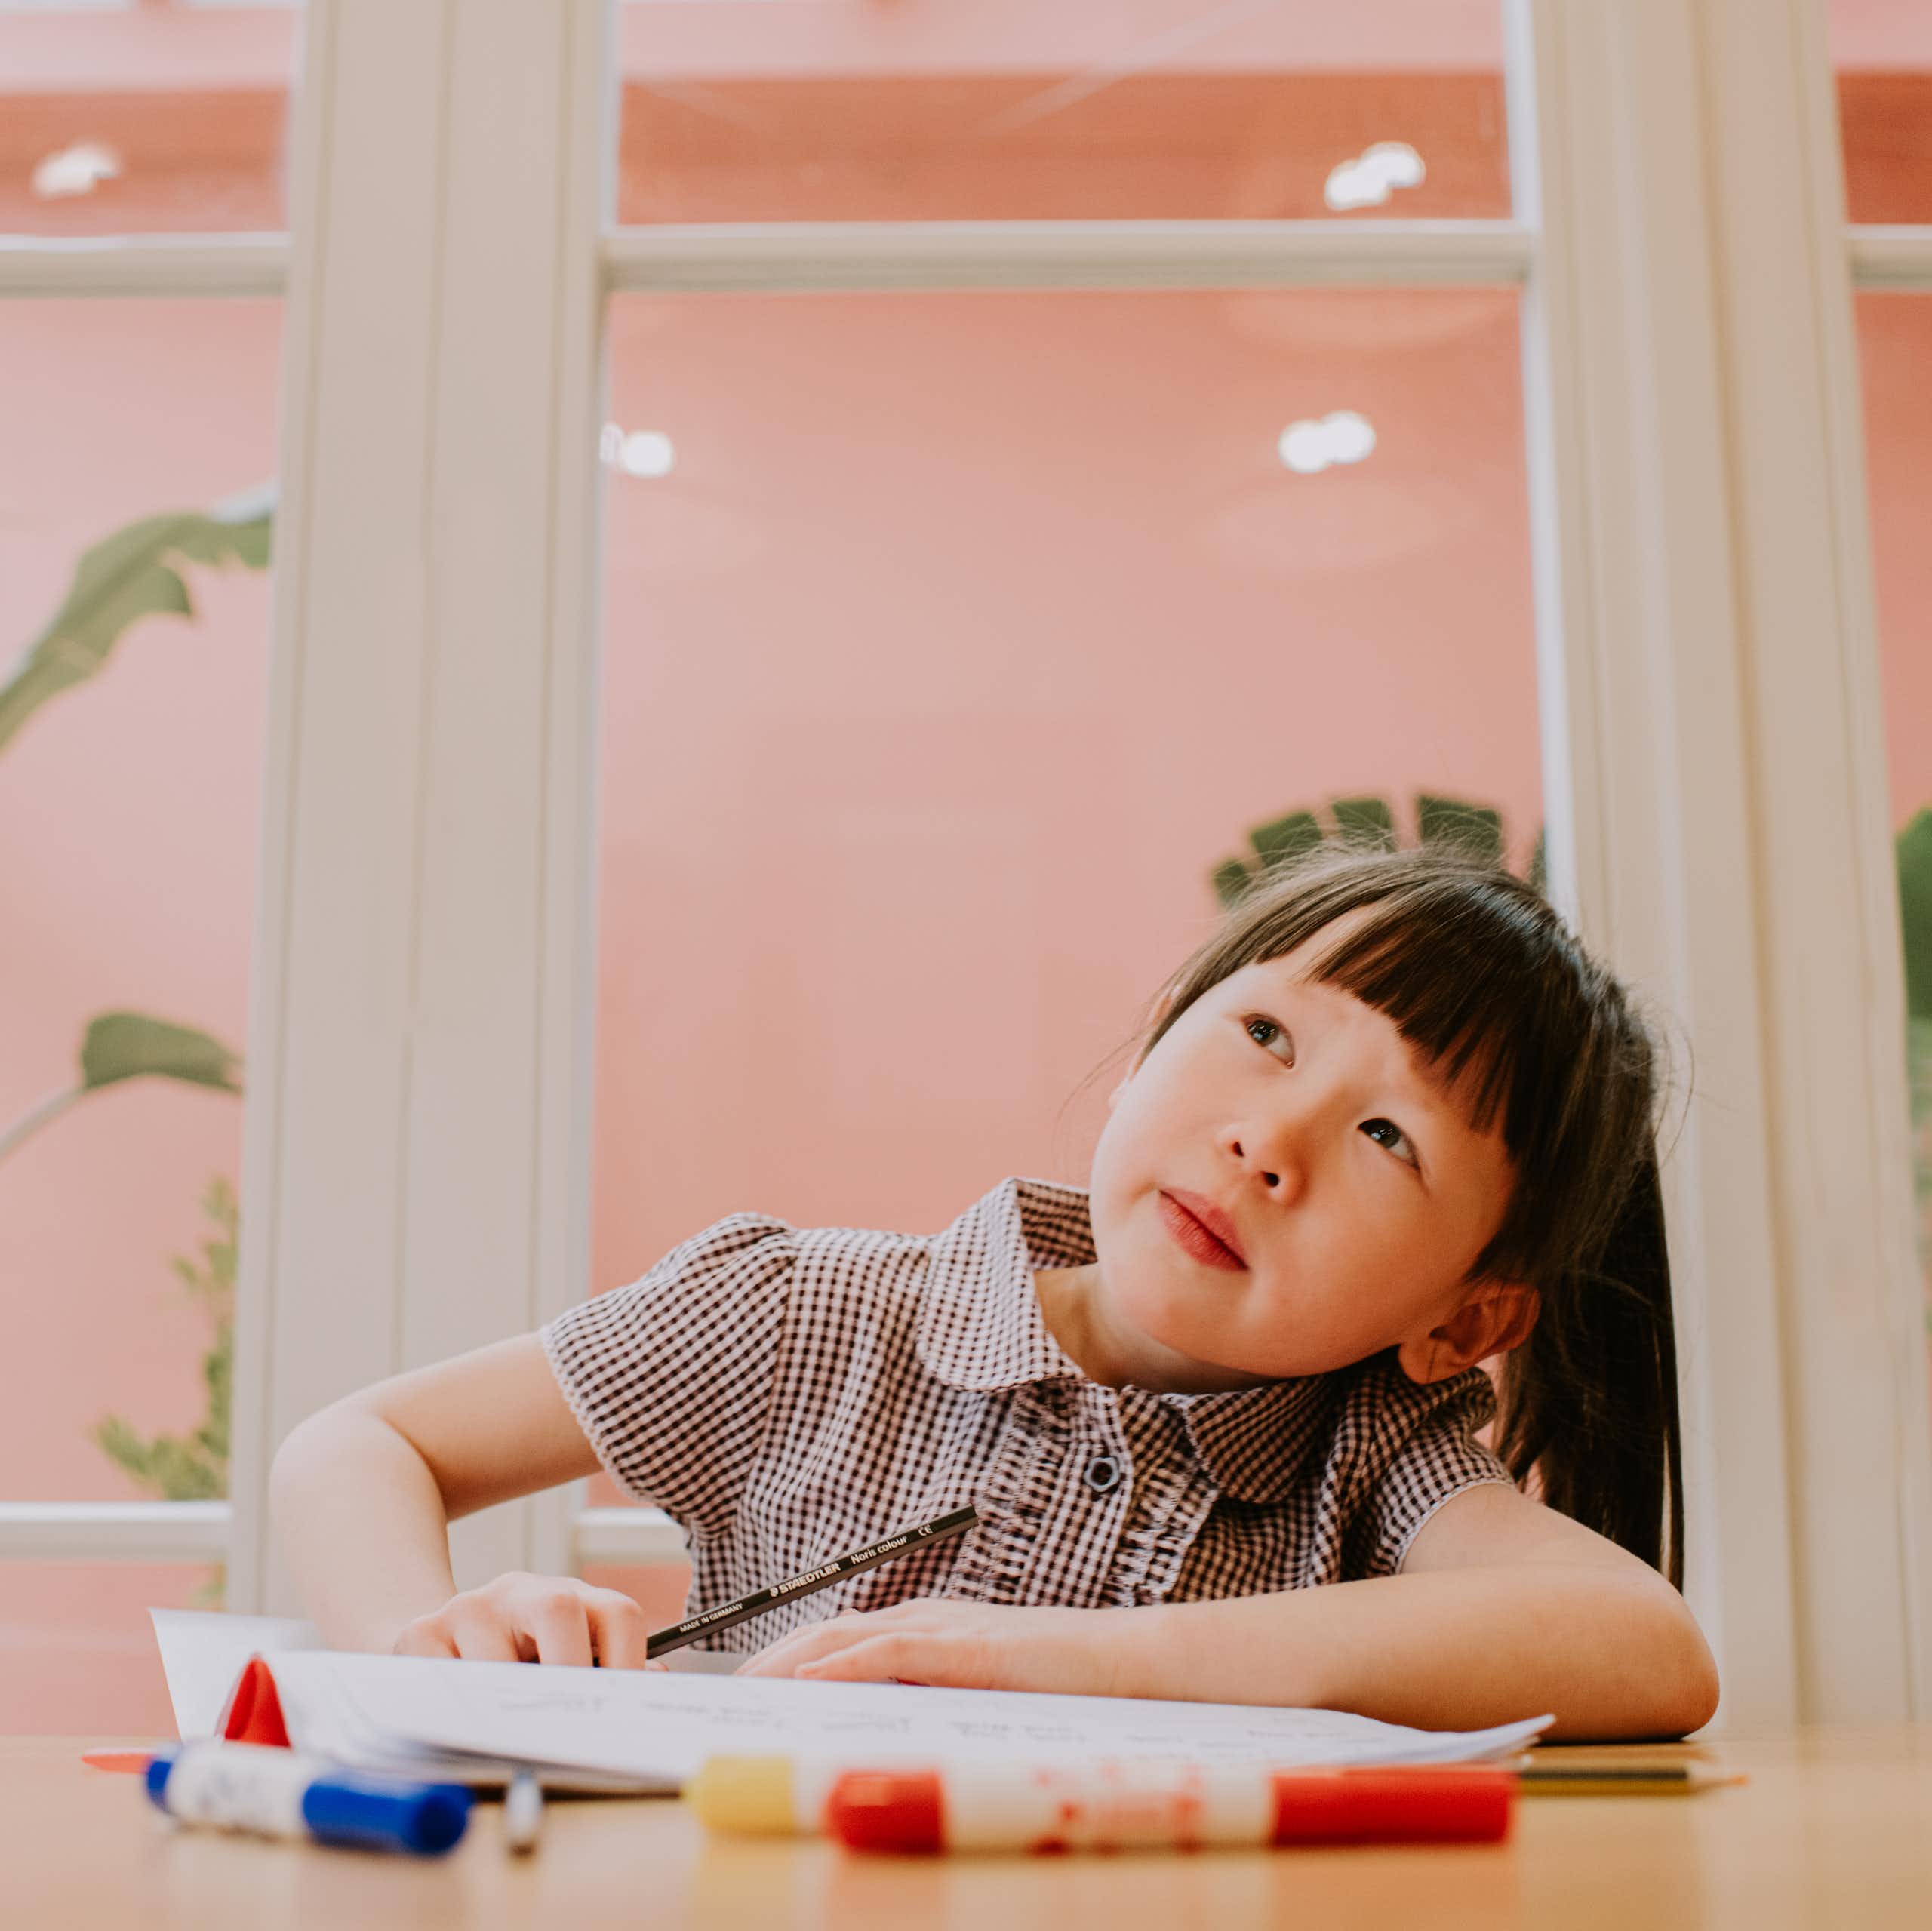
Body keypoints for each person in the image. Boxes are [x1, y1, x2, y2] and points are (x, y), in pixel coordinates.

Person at [272, 844, 1719, 1739]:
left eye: (1388, 1137)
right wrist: (420, 1652)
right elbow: (359, 1445)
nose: (1267, 1144)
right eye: (1266, 1033)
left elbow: (1643, 1647)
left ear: (1464, 1320)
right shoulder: (813, 1317)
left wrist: (1056, 1663)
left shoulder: (1370, 1462)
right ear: (1160, 1035)